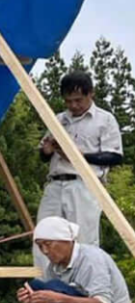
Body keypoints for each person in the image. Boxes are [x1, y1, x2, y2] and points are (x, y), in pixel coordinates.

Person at [35, 71, 123, 269]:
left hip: (85, 183)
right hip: (56, 182)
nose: (73, 106)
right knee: (45, 233)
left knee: (83, 237)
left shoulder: (105, 120)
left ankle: (86, 284)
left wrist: (80, 157)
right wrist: (48, 151)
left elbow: (115, 156)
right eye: (69, 101)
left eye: (78, 100)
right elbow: (43, 155)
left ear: (90, 94)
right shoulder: (59, 119)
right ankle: (45, 284)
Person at [19, 216, 132, 303]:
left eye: (48, 244)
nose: (44, 251)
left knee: (53, 287)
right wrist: (33, 301)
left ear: (67, 240)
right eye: (40, 246)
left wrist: (58, 298)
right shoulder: (54, 267)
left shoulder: (91, 259)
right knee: (35, 286)